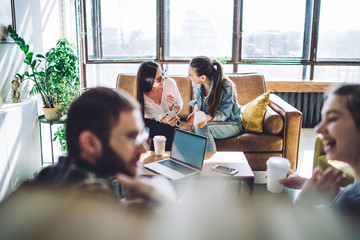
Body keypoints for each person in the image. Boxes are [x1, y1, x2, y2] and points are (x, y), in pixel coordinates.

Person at [34, 87, 176, 205]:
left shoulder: (47, 175)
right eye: (130, 137)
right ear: (90, 143)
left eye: (141, 136)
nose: (143, 149)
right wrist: (164, 203)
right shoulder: (93, 198)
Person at [280, 84, 360, 217]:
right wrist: (308, 184)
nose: (318, 129)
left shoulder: (352, 208)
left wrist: (303, 202)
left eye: (332, 118)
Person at [186, 56, 242, 152]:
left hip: (231, 123)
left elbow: (224, 114)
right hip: (213, 122)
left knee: (202, 128)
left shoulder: (226, 86)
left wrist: (208, 117)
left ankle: (212, 162)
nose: (188, 77)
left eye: (190, 74)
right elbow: (197, 102)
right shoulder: (197, 84)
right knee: (188, 137)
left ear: (203, 77)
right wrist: (196, 113)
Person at [136, 61, 183, 151]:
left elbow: (179, 106)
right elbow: (158, 116)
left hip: (168, 117)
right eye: (159, 79)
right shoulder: (143, 97)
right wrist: (168, 120)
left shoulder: (170, 84)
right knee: (166, 128)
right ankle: (158, 157)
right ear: (148, 82)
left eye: (163, 74)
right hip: (150, 120)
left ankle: (163, 157)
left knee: (171, 127)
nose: (164, 79)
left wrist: (172, 106)